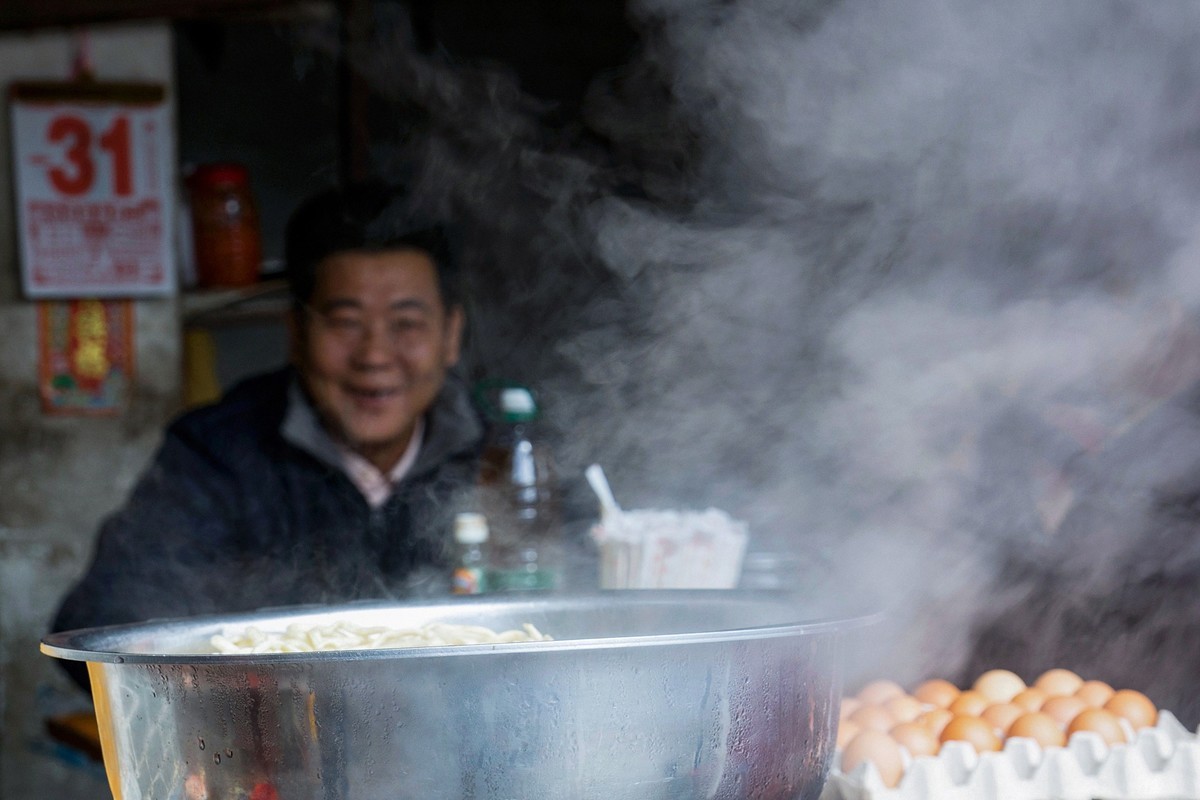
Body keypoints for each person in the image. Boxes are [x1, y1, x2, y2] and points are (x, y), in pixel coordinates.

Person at [51, 182, 483, 687]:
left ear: (451, 335)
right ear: (296, 334)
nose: (375, 356)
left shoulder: (504, 454)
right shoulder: (219, 452)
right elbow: (100, 623)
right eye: (345, 322)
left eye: (406, 324)